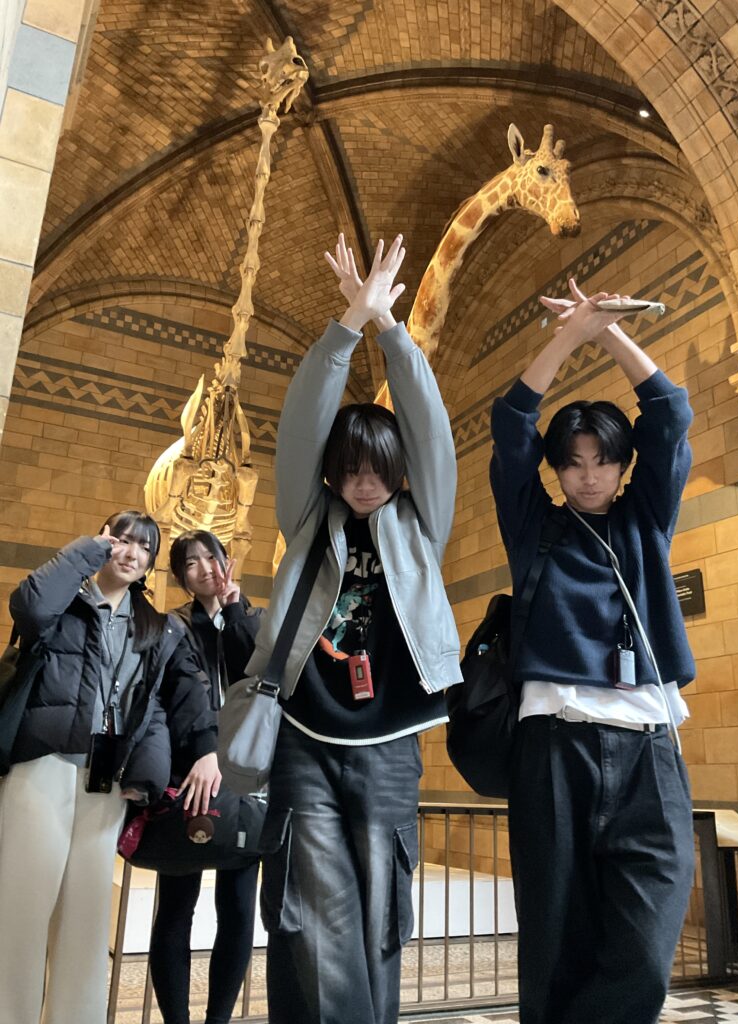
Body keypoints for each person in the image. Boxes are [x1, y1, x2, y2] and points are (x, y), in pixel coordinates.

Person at [244, 233, 461, 1024]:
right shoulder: (309, 517)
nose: (365, 485)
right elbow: (302, 426)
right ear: (334, 474)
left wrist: (391, 330)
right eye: (352, 471)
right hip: (303, 733)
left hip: (391, 739)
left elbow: (429, 428)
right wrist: (347, 326)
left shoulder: (421, 523)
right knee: (308, 912)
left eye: (379, 472)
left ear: (398, 474)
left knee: (378, 912)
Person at [490, 279, 696, 1024]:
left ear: (622, 464)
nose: (587, 474)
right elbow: (512, 424)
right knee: (556, 942)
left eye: (603, 459)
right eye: (573, 461)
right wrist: (566, 339)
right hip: (556, 746)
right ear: (557, 467)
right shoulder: (533, 526)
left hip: (649, 749)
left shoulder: (646, 521)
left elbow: (670, 416)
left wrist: (607, 332)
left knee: (646, 946)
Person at [0, 510, 218, 1024]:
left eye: (144, 547)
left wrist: (184, 758)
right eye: (122, 540)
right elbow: (28, 606)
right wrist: (87, 550)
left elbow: (170, 697)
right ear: (103, 542)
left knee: (86, 920)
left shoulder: (156, 627)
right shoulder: (63, 604)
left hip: (107, 781)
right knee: (20, 909)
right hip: (44, 765)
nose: (131, 552)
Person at [149, 529, 264, 1024]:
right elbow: (181, 695)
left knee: (237, 909)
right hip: (190, 775)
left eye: (210, 557)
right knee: (177, 906)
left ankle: (218, 1020)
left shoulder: (253, 618)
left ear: (226, 560)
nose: (204, 568)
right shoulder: (173, 626)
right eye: (190, 563)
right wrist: (205, 751)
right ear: (180, 577)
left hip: (245, 776)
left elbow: (258, 682)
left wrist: (234, 611)